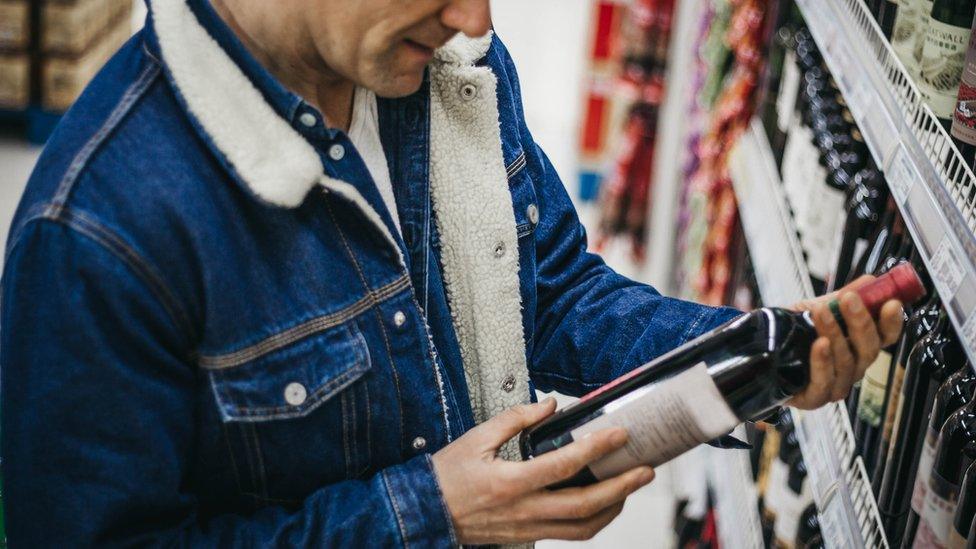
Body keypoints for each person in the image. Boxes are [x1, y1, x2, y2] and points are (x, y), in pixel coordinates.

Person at [0, 0, 903, 546]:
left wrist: (746, 358)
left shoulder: (446, 69)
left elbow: (551, 294)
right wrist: (431, 513)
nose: (479, 20)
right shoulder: (96, 230)